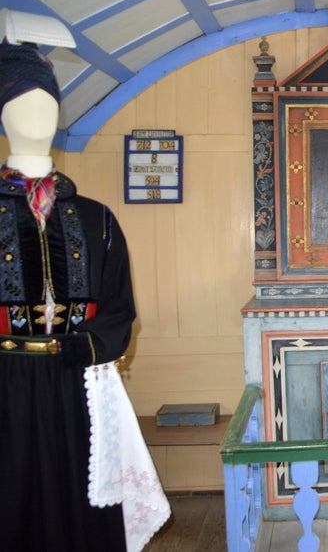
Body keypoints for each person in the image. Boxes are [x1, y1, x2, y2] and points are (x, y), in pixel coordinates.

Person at [0, 40, 167, 551]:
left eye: (48, 105)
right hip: (6, 385)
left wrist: (90, 344)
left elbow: (120, 306)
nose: (38, 117)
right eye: (24, 104)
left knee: (87, 496)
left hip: (82, 382)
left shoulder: (95, 217)